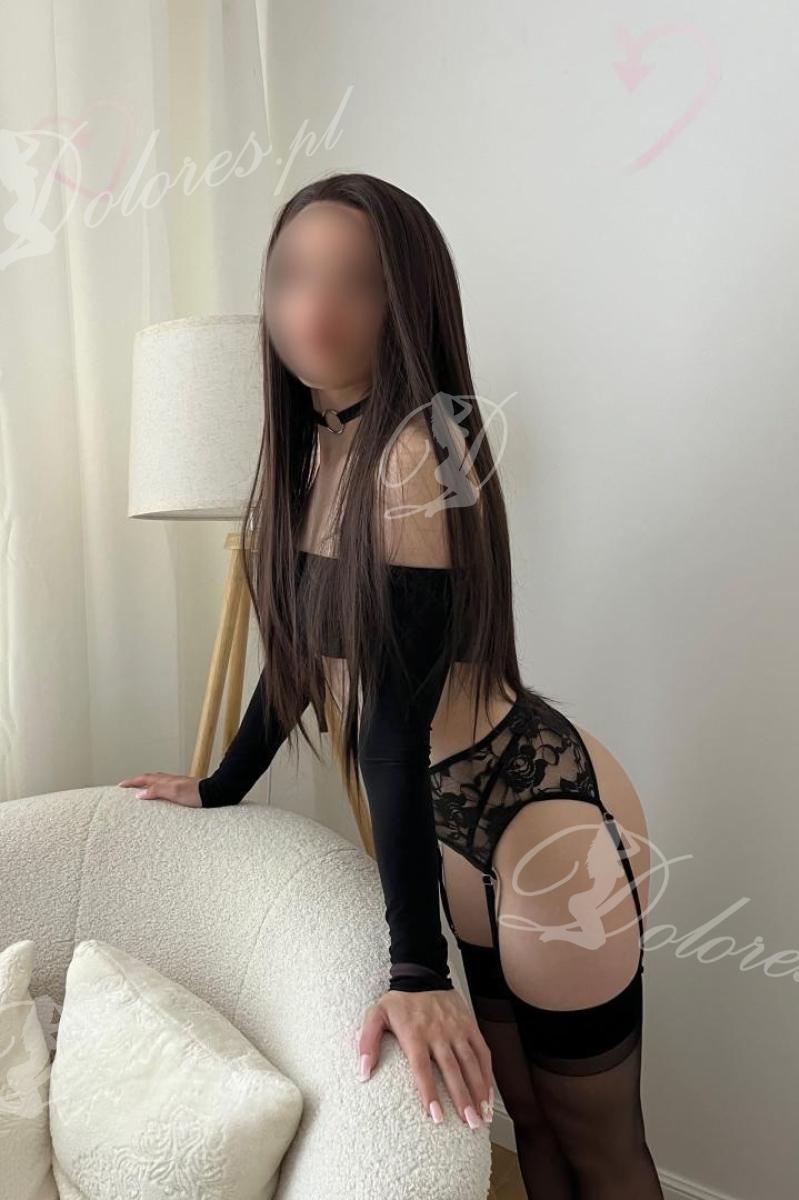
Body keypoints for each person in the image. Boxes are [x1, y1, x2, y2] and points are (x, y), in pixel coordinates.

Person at [118, 172, 664, 1197]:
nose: (313, 309)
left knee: (598, 1142)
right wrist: (221, 785)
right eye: (291, 277)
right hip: (446, 813)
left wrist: (415, 970)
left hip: (536, 805)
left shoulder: (417, 452)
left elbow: (389, 730)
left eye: (357, 282)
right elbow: (300, 660)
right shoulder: (312, 450)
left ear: (404, 302)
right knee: (526, 1121)